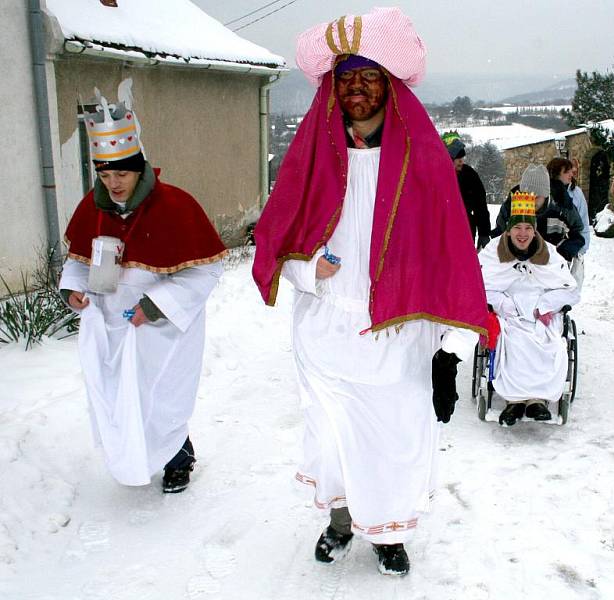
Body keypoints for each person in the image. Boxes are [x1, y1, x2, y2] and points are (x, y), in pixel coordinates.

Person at [251, 8, 486, 577]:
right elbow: (276, 239)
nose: (356, 89)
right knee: (333, 439)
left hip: (396, 334)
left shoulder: (423, 161)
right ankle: (339, 521)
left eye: (369, 76)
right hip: (327, 329)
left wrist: (443, 341)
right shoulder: (312, 156)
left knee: (392, 438)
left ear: (389, 86)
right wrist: (310, 273)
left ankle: (389, 533)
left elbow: (444, 249)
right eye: (346, 78)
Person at [59, 86, 227, 493]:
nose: (113, 183)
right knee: (119, 396)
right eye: (104, 174)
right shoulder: (91, 208)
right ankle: (131, 455)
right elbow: (77, 263)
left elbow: (205, 271)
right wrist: (72, 290)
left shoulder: (176, 206)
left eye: (121, 173)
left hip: (161, 328)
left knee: (161, 397)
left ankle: (177, 457)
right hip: (110, 325)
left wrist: (153, 307)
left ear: (140, 169)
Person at [478, 191, 579, 426]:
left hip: (541, 313)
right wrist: (503, 304)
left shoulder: (548, 254)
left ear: (534, 231)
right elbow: (477, 286)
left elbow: (570, 290)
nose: (522, 234)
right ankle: (514, 402)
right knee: (510, 341)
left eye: (528, 228)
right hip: (508, 312)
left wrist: (546, 306)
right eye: (517, 228)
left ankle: (537, 401)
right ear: (509, 229)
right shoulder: (493, 252)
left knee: (551, 343)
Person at [491, 163, 585, 263]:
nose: (531, 200)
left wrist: (562, 253)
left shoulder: (563, 207)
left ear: (545, 194)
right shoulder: (510, 206)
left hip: (551, 265)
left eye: (536, 196)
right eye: (527, 195)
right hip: (517, 267)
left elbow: (578, 234)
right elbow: (499, 233)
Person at [442, 131, 491, 249]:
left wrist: (484, 233)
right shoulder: (437, 176)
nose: (461, 161)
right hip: (441, 231)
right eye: (457, 158)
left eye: (462, 157)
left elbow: (481, 205)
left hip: (466, 229)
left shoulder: (470, 174)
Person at [567, 157, 591, 289]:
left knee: (569, 285)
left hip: (571, 246)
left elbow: (583, 220)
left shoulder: (577, 193)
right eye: (569, 170)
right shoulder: (548, 192)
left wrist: (582, 247)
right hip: (552, 248)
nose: (573, 173)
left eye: (574, 170)